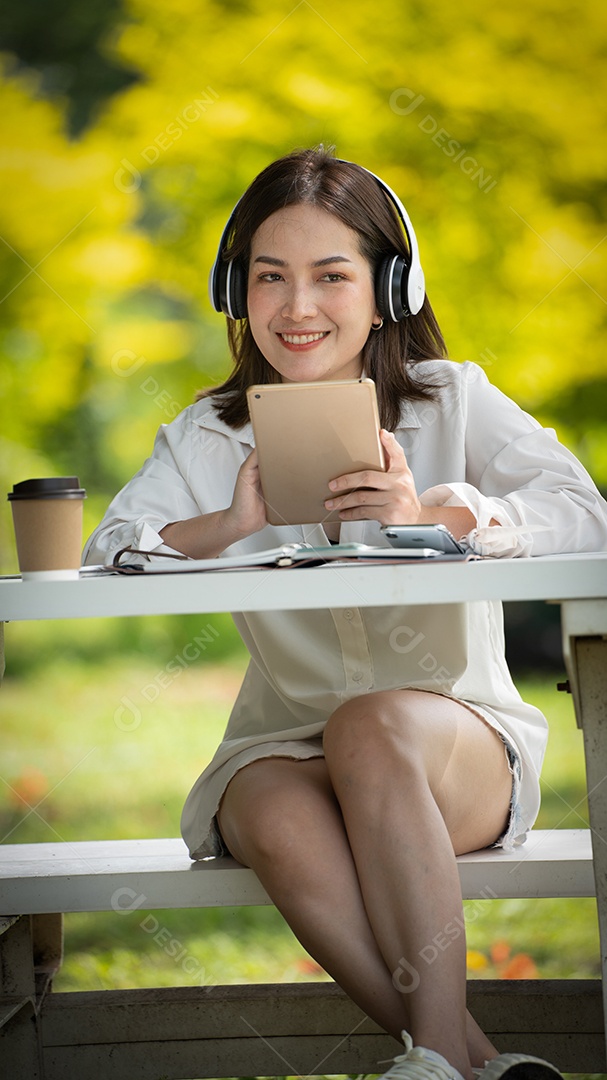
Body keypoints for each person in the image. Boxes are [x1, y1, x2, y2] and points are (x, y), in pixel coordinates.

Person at [83, 148, 607, 1080]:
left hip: (456, 752)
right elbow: (112, 545)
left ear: (388, 288)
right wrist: (228, 523)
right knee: (268, 804)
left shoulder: (453, 401)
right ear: (234, 292)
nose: (297, 308)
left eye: (331, 276)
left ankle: (442, 1052)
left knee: (370, 724)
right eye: (268, 278)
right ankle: (471, 1065)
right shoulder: (207, 436)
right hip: (283, 747)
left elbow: (584, 515)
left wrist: (435, 516)